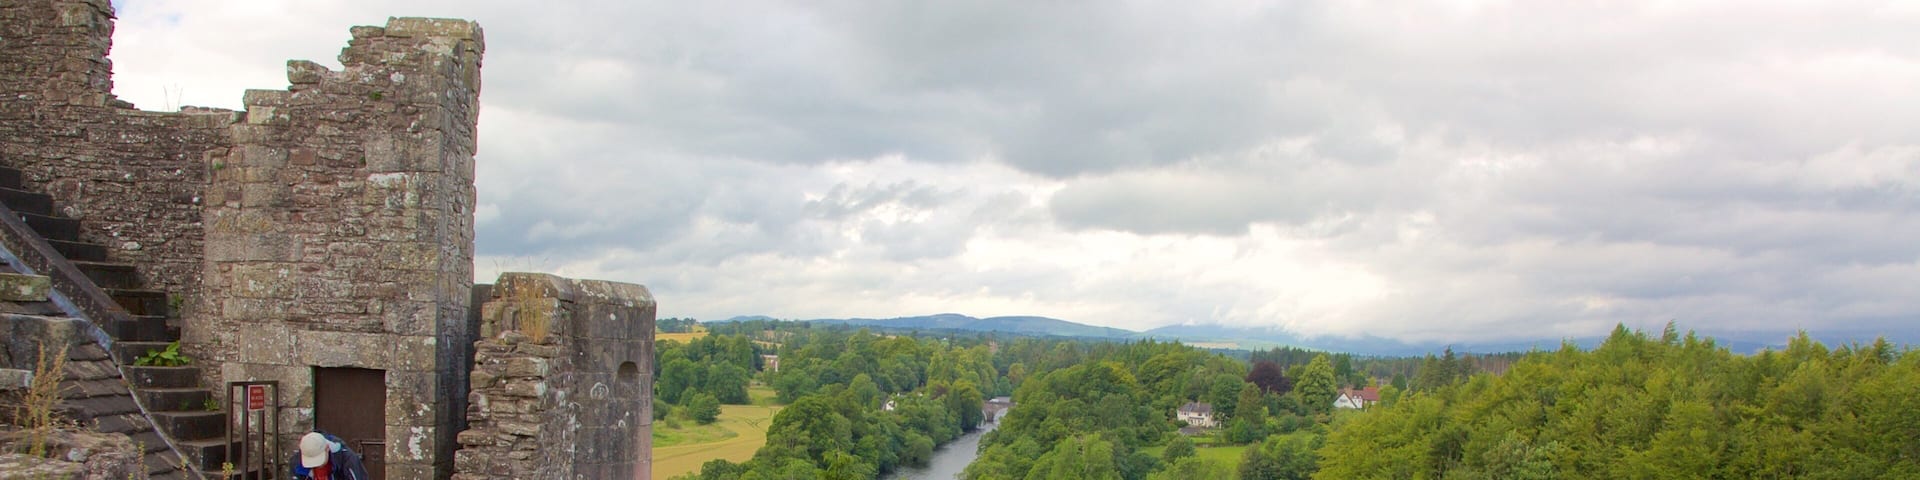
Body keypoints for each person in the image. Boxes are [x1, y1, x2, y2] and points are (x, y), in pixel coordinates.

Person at [291, 431, 370, 480]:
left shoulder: (348, 460)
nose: (316, 465)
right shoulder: (297, 462)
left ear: (327, 448)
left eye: (318, 460)